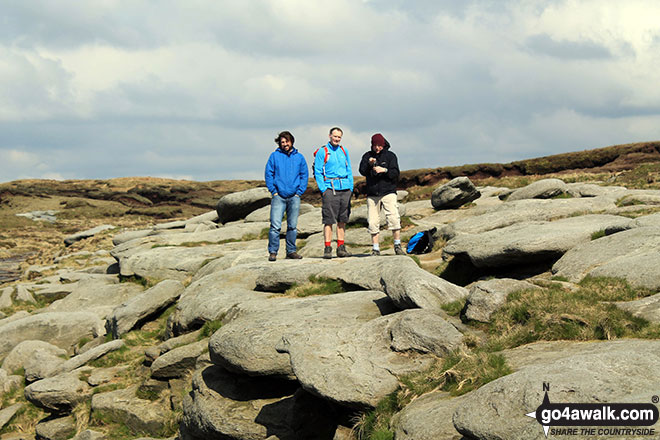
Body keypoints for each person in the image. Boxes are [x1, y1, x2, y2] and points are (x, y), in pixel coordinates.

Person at [264, 131, 308, 261]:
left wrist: (299, 192)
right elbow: (268, 174)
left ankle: (291, 251)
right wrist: (274, 191)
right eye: (282, 142)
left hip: (294, 196)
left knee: (292, 226)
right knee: (275, 227)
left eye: (286, 141)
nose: (285, 144)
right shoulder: (274, 156)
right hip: (279, 196)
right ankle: (273, 252)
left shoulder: (299, 157)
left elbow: (304, 175)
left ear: (291, 141)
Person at [358, 133, 405, 256]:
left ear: (383, 145)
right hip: (372, 194)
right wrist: (369, 165)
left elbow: (395, 173)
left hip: (388, 192)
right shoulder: (367, 156)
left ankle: (397, 245)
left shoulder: (390, 156)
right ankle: (375, 248)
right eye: (375, 145)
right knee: (373, 221)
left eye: (379, 145)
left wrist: (384, 170)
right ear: (372, 145)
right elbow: (362, 171)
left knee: (394, 218)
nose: (377, 148)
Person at [314, 127, 353, 259]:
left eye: (339, 137)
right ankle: (327, 248)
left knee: (343, 219)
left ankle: (341, 248)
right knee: (329, 220)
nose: (336, 139)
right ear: (330, 136)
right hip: (330, 188)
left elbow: (349, 168)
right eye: (335, 136)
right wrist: (323, 189)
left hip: (345, 188)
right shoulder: (322, 151)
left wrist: (351, 187)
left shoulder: (344, 150)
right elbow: (318, 171)